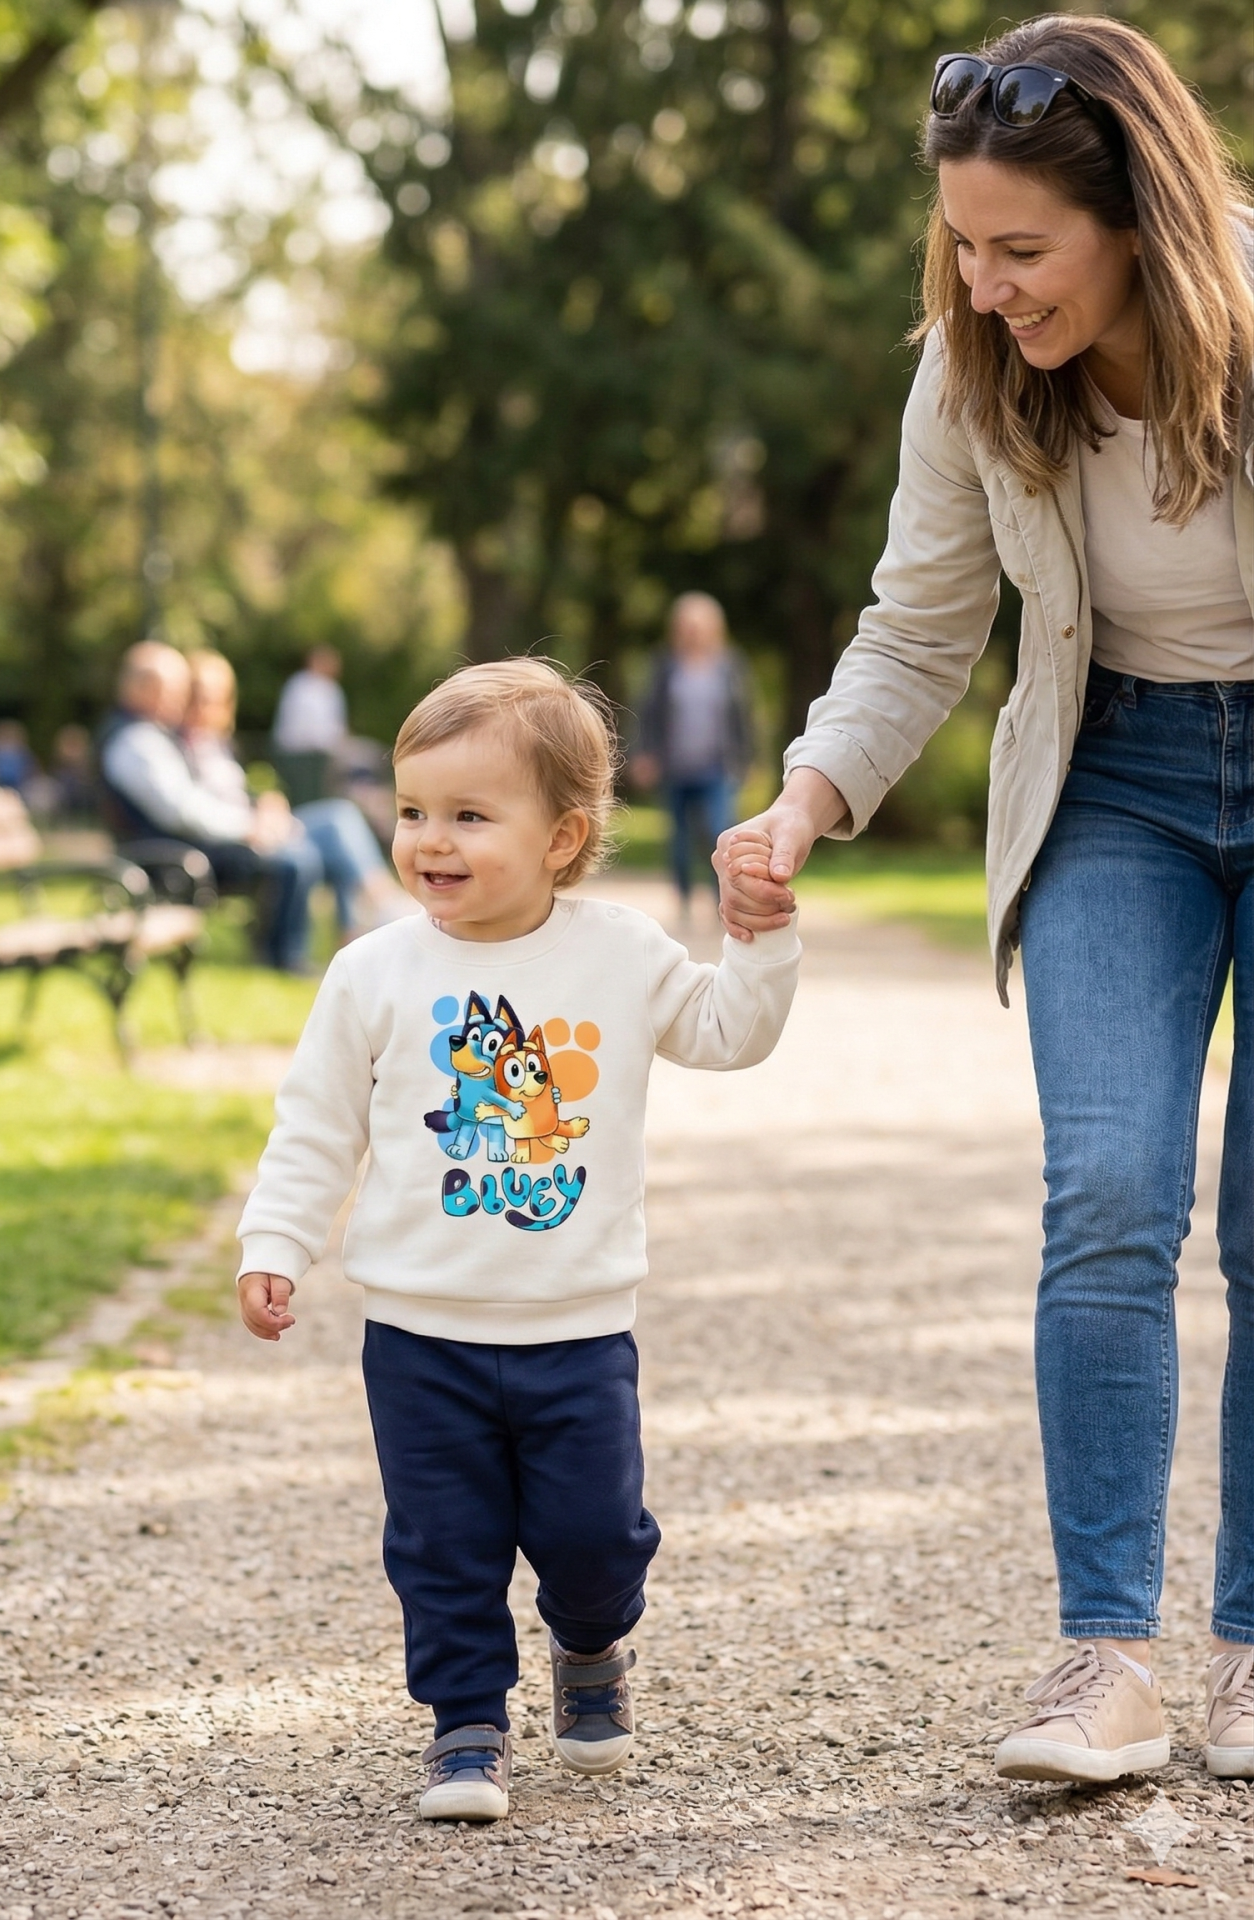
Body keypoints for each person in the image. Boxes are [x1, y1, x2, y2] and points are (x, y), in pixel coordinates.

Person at [718, 15, 1254, 1787]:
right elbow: (921, 625)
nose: (989, 280)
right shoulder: (969, 376)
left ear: (1138, 220)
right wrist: (805, 800)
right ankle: (1107, 1660)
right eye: (965, 241)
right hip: (1116, 782)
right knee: (1107, 1188)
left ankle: (1251, 1650)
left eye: (1023, 248)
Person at [235, 658, 799, 1820]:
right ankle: (466, 1725)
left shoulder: (619, 953)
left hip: (575, 1328)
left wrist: (759, 940)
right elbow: (315, 1127)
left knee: (593, 1538)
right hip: (418, 1332)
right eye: (410, 811)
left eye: (467, 816)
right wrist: (275, 1244)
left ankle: (590, 1648)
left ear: (561, 837)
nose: (428, 842)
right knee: (441, 1546)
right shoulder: (372, 973)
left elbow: (728, 1032)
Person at [96, 641, 321, 974]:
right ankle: (283, 958)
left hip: (186, 846)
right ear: (140, 688)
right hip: (172, 857)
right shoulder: (137, 742)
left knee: (297, 852)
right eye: (170, 690)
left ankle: (283, 954)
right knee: (291, 860)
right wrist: (247, 828)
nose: (178, 700)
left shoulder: (150, 736)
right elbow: (180, 811)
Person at [181, 650, 410, 940]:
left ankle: (359, 927)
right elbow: (196, 807)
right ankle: (381, 907)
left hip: (258, 825)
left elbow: (236, 793)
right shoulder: (180, 747)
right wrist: (252, 824)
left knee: (339, 818)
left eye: (217, 698)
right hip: (238, 838)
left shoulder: (217, 744)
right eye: (200, 696)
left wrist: (266, 802)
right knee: (332, 829)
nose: (208, 706)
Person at [632, 593, 753, 917]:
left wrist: (749, 760)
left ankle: (720, 899)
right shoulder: (665, 665)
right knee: (680, 840)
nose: (694, 632)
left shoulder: (729, 666)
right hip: (675, 768)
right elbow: (650, 713)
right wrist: (644, 755)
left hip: (717, 767)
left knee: (719, 832)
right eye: (687, 626)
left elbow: (744, 717)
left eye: (700, 626)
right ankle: (684, 897)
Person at [271, 644, 348, 755]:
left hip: (323, 747)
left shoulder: (332, 688)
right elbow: (308, 731)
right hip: (302, 749)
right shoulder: (300, 685)